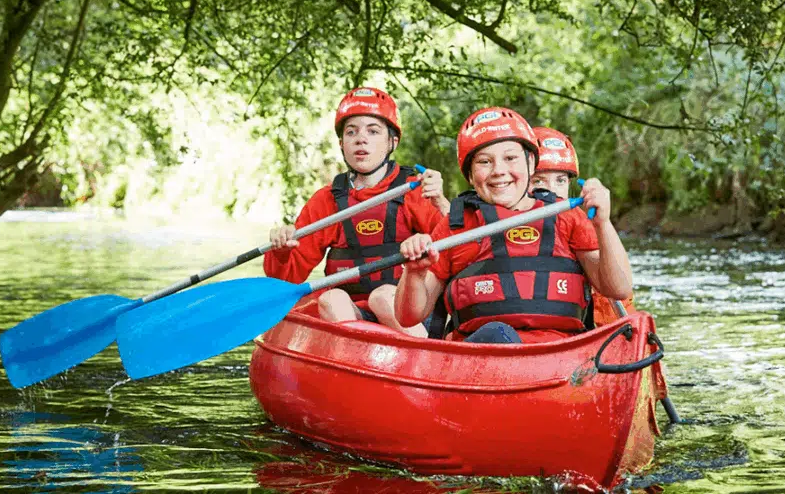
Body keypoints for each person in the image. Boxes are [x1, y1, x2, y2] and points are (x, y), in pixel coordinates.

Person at [394, 107, 633, 344]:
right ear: (469, 175)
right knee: (498, 334)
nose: (499, 171)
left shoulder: (568, 217)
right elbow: (408, 317)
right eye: (484, 162)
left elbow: (618, 289)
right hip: (476, 361)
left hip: (563, 358)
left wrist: (602, 224)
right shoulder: (455, 226)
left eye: (510, 158)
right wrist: (414, 272)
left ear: (530, 163)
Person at [265, 87, 449, 337]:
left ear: (392, 142)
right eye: (351, 132)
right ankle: (355, 359)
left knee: (383, 297)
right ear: (342, 144)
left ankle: (427, 355)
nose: (361, 139)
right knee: (331, 299)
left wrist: (441, 203)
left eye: (373, 131)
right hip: (352, 318)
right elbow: (285, 281)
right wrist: (282, 252)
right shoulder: (327, 201)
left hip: (411, 316)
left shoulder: (415, 190)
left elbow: (455, 250)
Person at [530, 126, 636, 326]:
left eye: (560, 180)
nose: (552, 190)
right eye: (538, 181)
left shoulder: (575, 221)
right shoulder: (490, 217)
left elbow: (620, 289)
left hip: (570, 339)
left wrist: (602, 224)